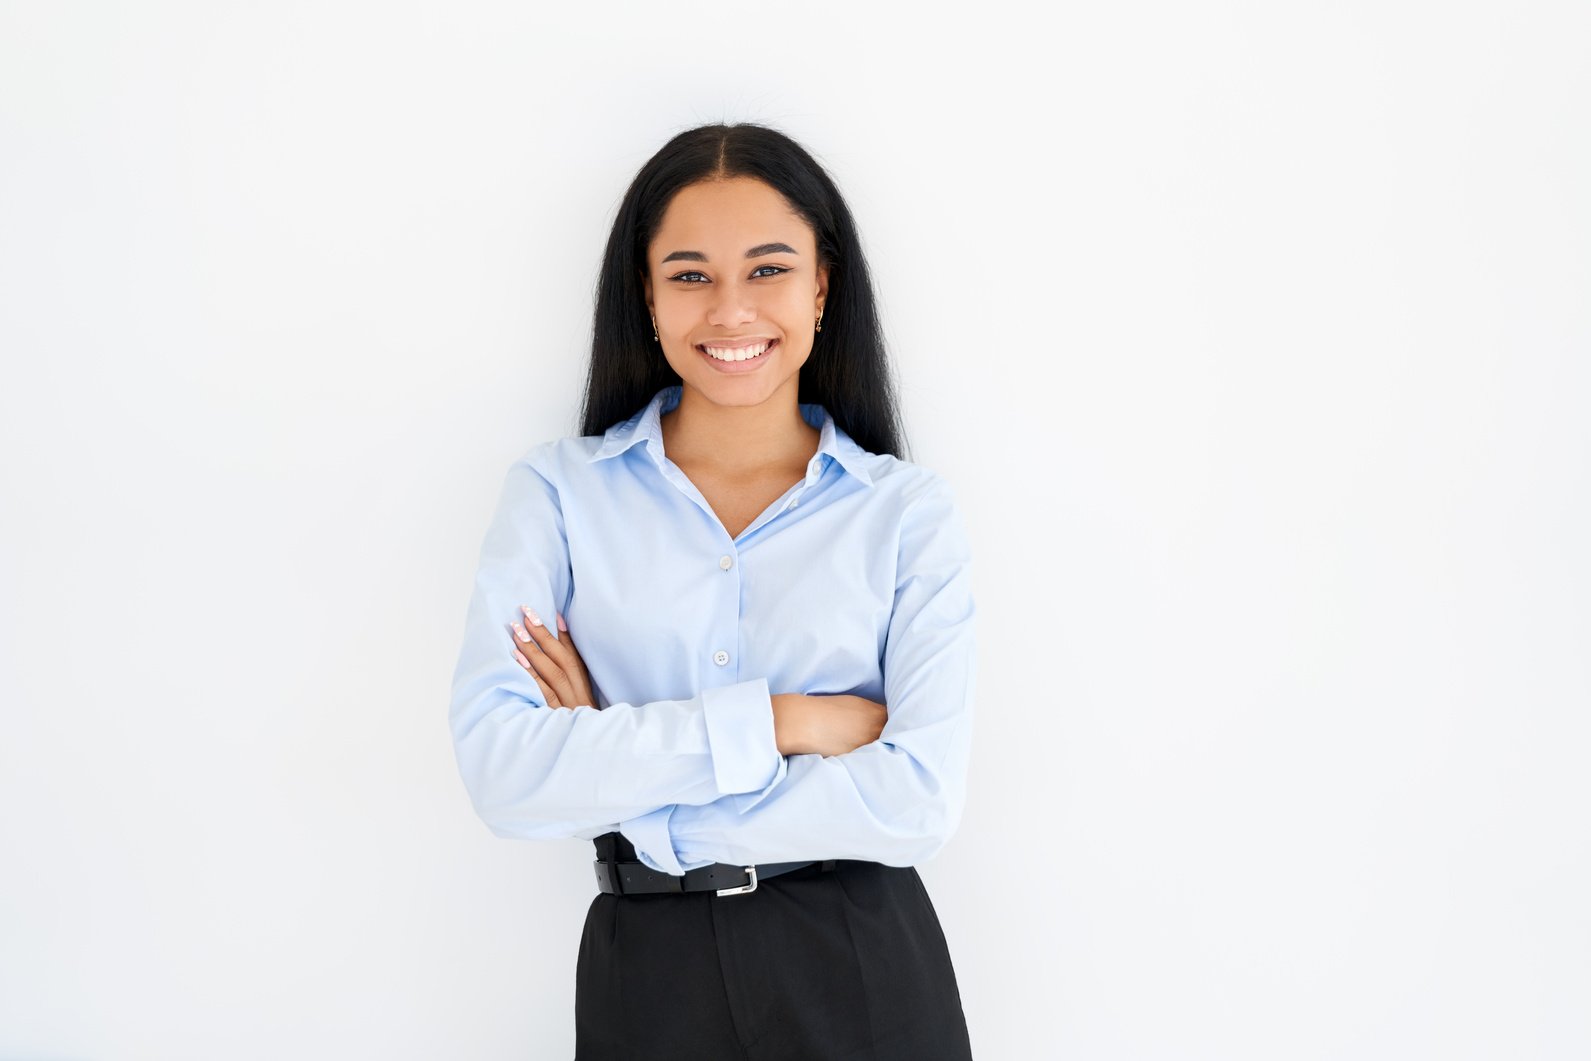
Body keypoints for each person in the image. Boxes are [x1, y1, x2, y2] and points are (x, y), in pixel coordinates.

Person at [448, 122, 977, 1060]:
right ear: (646, 299)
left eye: (768, 269)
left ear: (821, 286)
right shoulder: (558, 496)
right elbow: (507, 773)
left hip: (859, 961)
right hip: (647, 974)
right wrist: (786, 721)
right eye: (690, 275)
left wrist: (628, 791)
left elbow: (916, 800)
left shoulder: (902, 513)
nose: (730, 310)